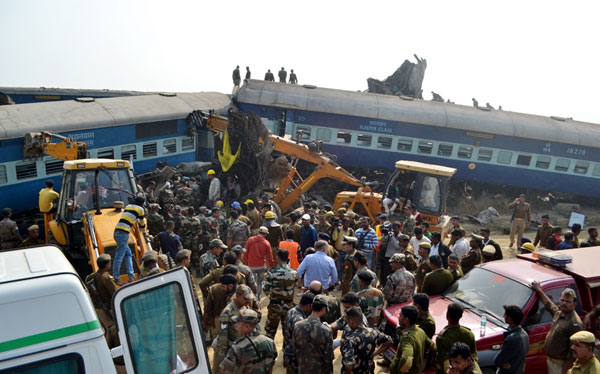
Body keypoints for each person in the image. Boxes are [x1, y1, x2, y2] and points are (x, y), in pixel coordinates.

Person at [531, 282, 584, 374]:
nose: (564, 303)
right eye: (562, 300)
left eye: (568, 302)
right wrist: (539, 290)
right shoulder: (559, 313)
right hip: (552, 361)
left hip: (560, 365)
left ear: (574, 304)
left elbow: (573, 353)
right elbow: (549, 305)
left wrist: (565, 371)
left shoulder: (575, 324)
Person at [213, 284, 256, 373]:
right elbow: (222, 341)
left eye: (249, 299)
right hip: (233, 352)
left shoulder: (245, 307)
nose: (248, 301)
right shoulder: (227, 313)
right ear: (237, 296)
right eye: (245, 299)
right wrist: (223, 363)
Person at [219, 308, 277, 374]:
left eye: (238, 322)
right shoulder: (270, 342)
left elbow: (224, 371)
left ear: (247, 326)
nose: (236, 325)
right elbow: (271, 365)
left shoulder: (237, 347)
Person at [340, 307, 393, 374]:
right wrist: (373, 354)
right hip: (369, 370)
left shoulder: (350, 340)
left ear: (351, 321)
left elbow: (349, 366)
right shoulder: (374, 331)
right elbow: (389, 341)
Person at [292, 295, 334, 373]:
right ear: (323, 309)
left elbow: (294, 349)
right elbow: (328, 357)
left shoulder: (297, 326)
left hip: (303, 369)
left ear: (311, 306)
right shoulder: (326, 331)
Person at [263, 249, 298, 339]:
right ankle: (286, 351)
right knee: (287, 332)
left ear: (278, 258)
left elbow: (266, 290)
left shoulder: (272, 272)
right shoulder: (294, 273)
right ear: (288, 259)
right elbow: (297, 286)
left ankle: (270, 351)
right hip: (288, 306)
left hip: (274, 306)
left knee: (270, 332)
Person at [390, 305, 435, 374]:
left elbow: (407, 359)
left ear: (407, 319)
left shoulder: (407, 339)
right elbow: (433, 346)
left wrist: (399, 371)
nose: (398, 317)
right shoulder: (420, 331)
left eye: (401, 316)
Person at [113, 195, 146, 285]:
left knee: (128, 254)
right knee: (119, 256)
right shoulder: (140, 209)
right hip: (123, 233)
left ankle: (131, 277)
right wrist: (144, 232)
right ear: (142, 203)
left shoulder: (128, 206)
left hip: (116, 232)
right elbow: (142, 223)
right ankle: (116, 278)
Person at [436, 303, 477, 374]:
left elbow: (445, 363)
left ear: (447, 315)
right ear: (461, 316)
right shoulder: (469, 334)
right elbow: (474, 357)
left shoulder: (442, 338)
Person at [283, 293, 314, 374]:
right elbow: (302, 342)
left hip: (289, 352)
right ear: (309, 306)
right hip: (296, 357)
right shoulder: (299, 320)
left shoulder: (291, 311)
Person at [494, 305, 529, 374]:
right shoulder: (524, 334)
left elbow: (498, 360)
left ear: (510, 319)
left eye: (505, 315)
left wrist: (503, 362)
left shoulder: (512, 339)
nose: (504, 316)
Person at [244, 226, 274, 299]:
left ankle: (252, 298)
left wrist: (245, 260)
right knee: (259, 283)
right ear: (265, 234)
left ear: (258, 232)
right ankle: (258, 298)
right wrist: (271, 265)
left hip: (251, 265)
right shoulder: (266, 243)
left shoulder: (250, 240)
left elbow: (245, 251)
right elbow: (270, 257)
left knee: (252, 283)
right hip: (261, 266)